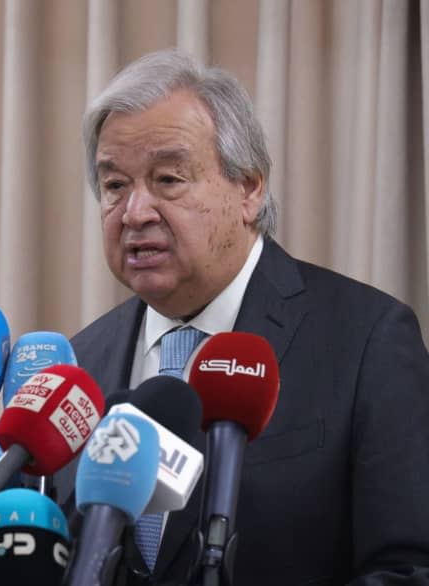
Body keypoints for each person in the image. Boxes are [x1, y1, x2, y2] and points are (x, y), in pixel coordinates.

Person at [61, 49, 429, 585]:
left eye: (168, 179)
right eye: (115, 186)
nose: (135, 213)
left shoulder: (366, 339)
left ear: (249, 189)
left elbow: (410, 569)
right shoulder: (82, 366)